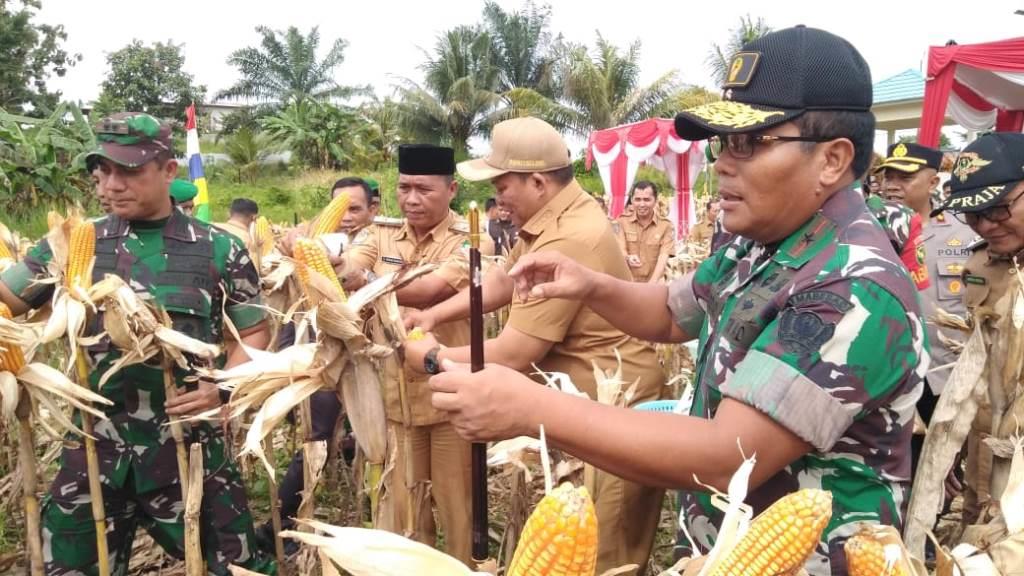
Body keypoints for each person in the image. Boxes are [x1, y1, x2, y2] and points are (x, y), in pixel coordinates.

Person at [424, 27, 927, 576]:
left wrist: (531, 408)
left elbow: (725, 456)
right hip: (728, 552)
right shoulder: (762, 241)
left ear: (831, 160)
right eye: (722, 144)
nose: (723, 165)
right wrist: (591, 285)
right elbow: (672, 310)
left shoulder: (851, 286)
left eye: (750, 143)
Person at [0, 112, 274, 574]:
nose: (112, 184)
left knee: (237, 565)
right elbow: (8, 300)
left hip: (189, 445)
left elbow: (253, 333)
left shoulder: (218, 248)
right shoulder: (69, 244)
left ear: (169, 171)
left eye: (128, 171)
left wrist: (223, 387)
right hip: (93, 444)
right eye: (103, 171)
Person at [404, 117, 667, 575]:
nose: (497, 199)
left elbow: (510, 355)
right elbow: (503, 281)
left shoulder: (572, 235)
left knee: (607, 557)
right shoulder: (550, 219)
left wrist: (431, 357)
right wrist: (433, 316)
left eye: (502, 185)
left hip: (616, 407)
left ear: (538, 182)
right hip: (584, 407)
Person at [340, 144, 493, 565]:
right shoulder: (380, 233)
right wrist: (333, 259)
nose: (411, 199)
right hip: (394, 403)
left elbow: (432, 289)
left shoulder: (473, 239)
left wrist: (366, 280)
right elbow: (351, 261)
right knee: (405, 513)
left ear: (451, 190)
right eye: (404, 188)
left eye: (423, 190)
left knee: (458, 511)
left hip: (449, 401)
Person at [929, 132, 1024, 528]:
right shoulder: (981, 265)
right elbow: (975, 372)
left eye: (999, 209)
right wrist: (951, 443)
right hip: (983, 458)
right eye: (972, 215)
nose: (985, 226)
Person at [877, 142, 974, 473]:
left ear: (933, 183)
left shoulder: (966, 231)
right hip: (887, 373)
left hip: (945, 374)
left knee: (948, 466)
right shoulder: (865, 228)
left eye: (904, 177)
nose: (892, 184)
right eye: (887, 175)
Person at [616, 181, 675, 283]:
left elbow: (663, 257)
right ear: (632, 200)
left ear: (655, 200)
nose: (642, 204)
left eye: (647, 200)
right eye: (637, 200)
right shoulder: (622, 222)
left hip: (655, 284)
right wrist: (628, 258)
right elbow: (620, 248)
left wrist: (651, 284)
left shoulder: (666, 226)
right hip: (628, 284)